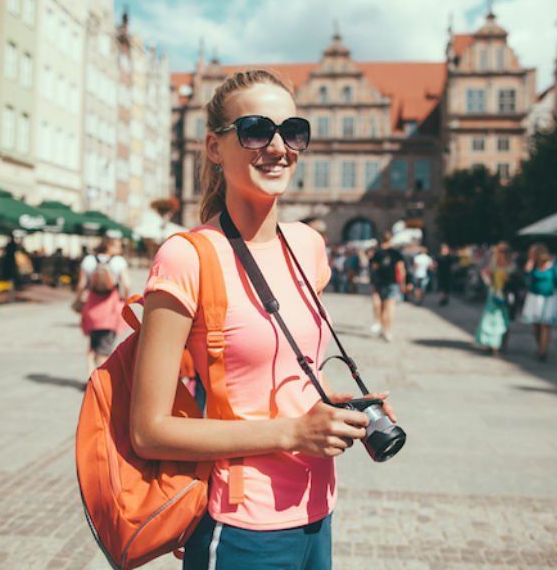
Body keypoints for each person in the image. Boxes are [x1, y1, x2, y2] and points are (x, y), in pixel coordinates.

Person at [130, 69, 395, 570]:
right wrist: (292, 433)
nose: (278, 147)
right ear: (214, 147)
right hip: (240, 524)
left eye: (292, 131)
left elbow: (280, 372)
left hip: (318, 509)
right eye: (255, 130)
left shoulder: (309, 246)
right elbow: (148, 429)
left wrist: (333, 409)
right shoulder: (186, 257)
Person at [76, 236, 130, 374]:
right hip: (110, 310)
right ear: (109, 246)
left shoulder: (88, 260)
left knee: (92, 346)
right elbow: (127, 285)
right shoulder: (118, 261)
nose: (120, 249)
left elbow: (81, 285)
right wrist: (124, 298)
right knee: (104, 351)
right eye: (117, 245)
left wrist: (78, 300)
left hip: (92, 308)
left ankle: (90, 375)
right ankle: (101, 382)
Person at [520, 243, 557, 361]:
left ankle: (543, 351)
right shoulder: (533, 265)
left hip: (549, 298)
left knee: (546, 325)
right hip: (534, 298)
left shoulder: (552, 266)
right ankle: (539, 346)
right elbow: (525, 276)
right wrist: (529, 264)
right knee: (536, 326)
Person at [474, 242, 515, 355]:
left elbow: (517, 282)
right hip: (494, 294)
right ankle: (490, 343)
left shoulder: (512, 266)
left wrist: (509, 280)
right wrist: (487, 278)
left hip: (506, 295)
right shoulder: (493, 264)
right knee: (490, 319)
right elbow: (487, 278)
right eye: (499, 251)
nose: (501, 254)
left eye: (503, 251)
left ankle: (500, 343)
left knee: (503, 319)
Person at [368, 231, 406, 342]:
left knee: (380, 305)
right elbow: (401, 269)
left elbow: (374, 269)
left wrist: (373, 282)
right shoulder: (396, 253)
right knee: (390, 307)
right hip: (392, 282)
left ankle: (379, 324)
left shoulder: (378, 253)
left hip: (380, 282)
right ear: (391, 240)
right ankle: (387, 331)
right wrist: (402, 284)